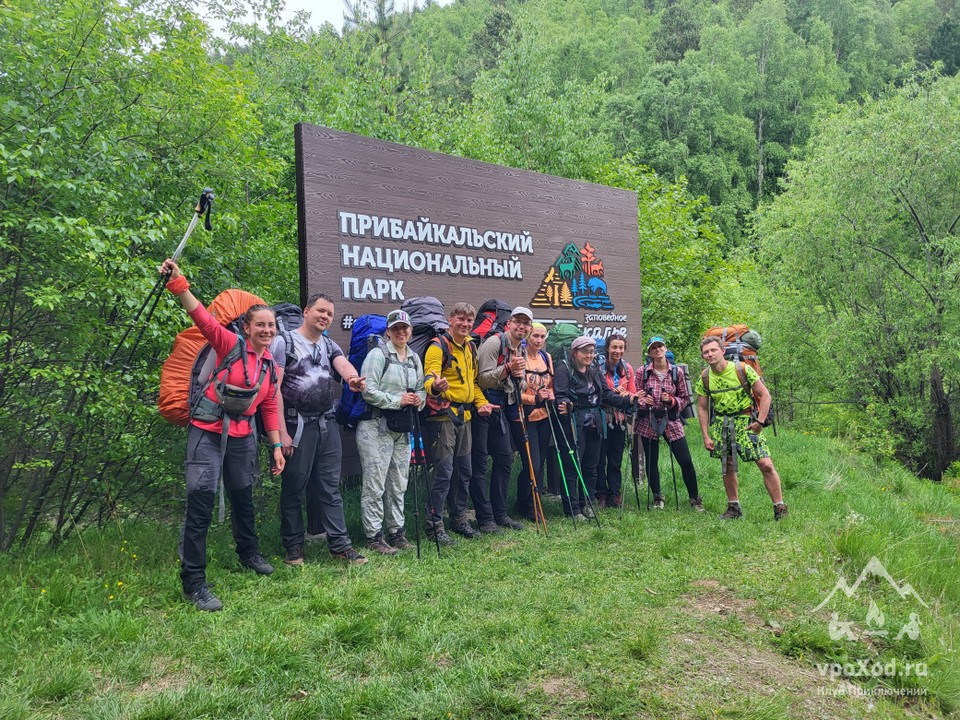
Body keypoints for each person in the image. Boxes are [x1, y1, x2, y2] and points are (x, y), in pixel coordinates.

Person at [160, 259, 284, 612]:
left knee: (243, 497)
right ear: (247, 327)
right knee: (200, 501)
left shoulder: (269, 365)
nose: (267, 330)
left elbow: (270, 405)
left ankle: (249, 553)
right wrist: (178, 282)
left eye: (271, 325)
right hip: (207, 433)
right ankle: (194, 582)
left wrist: (275, 445)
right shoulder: (227, 344)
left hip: (243, 437)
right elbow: (201, 316)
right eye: (260, 324)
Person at [271, 293, 368, 566]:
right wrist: (281, 432)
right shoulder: (284, 342)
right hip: (296, 424)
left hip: (327, 424)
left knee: (329, 487)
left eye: (329, 314)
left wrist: (352, 379)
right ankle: (293, 547)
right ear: (306, 311)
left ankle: (340, 545)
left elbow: (342, 364)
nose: (325, 317)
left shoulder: (328, 343)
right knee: (293, 487)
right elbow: (273, 390)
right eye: (321, 311)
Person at [422, 302, 497, 544]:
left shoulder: (470, 348)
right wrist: (435, 386)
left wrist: (481, 402)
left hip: (465, 418)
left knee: (464, 472)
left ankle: (459, 518)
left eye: (469, 320)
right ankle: (434, 525)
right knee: (443, 473)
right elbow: (428, 378)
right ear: (450, 319)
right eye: (460, 319)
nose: (465, 324)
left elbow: (473, 384)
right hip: (443, 417)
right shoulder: (437, 346)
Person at [695, 335, 788, 520]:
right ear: (703, 356)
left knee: (765, 464)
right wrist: (706, 435)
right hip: (722, 424)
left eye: (713, 350)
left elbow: (765, 395)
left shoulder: (742, 369)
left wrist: (760, 422)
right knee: (727, 465)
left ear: (722, 351)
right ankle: (733, 508)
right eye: (706, 352)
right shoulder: (705, 377)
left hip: (746, 422)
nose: (710, 354)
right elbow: (703, 407)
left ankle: (780, 508)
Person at [357, 310, 426, 554]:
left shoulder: (414, 359)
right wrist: (399, 400)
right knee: (375, 484)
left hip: (402, 429)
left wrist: (419, 400)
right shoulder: (377, 355)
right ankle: (373, 535)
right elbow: (368, 390)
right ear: (388, 331)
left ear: (410, 331)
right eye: (395, 328)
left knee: (399, 483)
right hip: (375, 427)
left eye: (404, 328)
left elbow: (421, 389)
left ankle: (396, 532)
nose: (400, 332)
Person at [554, 335, 635, 519]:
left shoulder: (594, 369)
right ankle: (572, 508)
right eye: (585, 351)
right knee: (573, 466)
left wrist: (626, 400)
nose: (589, 355)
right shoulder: (564, 369)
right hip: (575, 423)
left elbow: (605, 395)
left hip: (595, 423)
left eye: (591, 352)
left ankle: (588, 502)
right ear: (575, 353)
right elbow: (560, 394)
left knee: (591, 466)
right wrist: (565, 403)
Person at [475, 306, 533, 531]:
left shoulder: (522, 349)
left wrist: (520, 377)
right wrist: (507, 369)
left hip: (502, 410)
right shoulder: (493, 343)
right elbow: (481, 379)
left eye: (526, 323)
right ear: (509, 323)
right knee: (479, 465)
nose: (522, 326)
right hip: (483, 409)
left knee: (505, 459)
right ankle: (484, 518)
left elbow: (522, 383)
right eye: (518, 321)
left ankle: (500, 514)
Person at [635, 337, 702, 511]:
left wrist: (671, 401)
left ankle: (695, 498)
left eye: (660, 346)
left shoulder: (676, 372)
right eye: (653, 348)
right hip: (648, 420)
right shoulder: (642, 372)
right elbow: (636, 396)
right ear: (649, 353)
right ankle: (657, 497)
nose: (657, 350)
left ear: (665, 349)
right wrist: (644, 402)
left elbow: (685, 398)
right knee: (651, 460)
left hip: (671, 419)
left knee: (685, 460)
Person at [515, 321, 555, 521]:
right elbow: (513, 392)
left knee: (540, 463)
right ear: (527, 336)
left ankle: (524, 503)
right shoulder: (519, 357)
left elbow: (551, 386)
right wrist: (534, 399)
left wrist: (551, 397)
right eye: (535, 336)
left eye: (542, 337)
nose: (538, 340)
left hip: (544, 417)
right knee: (533, 464)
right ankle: (532, 506)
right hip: (526, 416)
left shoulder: (546, 358)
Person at [597, 333, 636, 508]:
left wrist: (626, 395)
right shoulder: (598, 367)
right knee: (600, 458)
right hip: (602, 418)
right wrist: (617, 393)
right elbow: (599, 395)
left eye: (620, 347)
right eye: (614, 347)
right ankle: (601, 494)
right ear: (607, 348)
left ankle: (614, 494)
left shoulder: (627, 369)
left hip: (619, 419)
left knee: (615, 459)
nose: (617, 351)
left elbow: (632, 393)